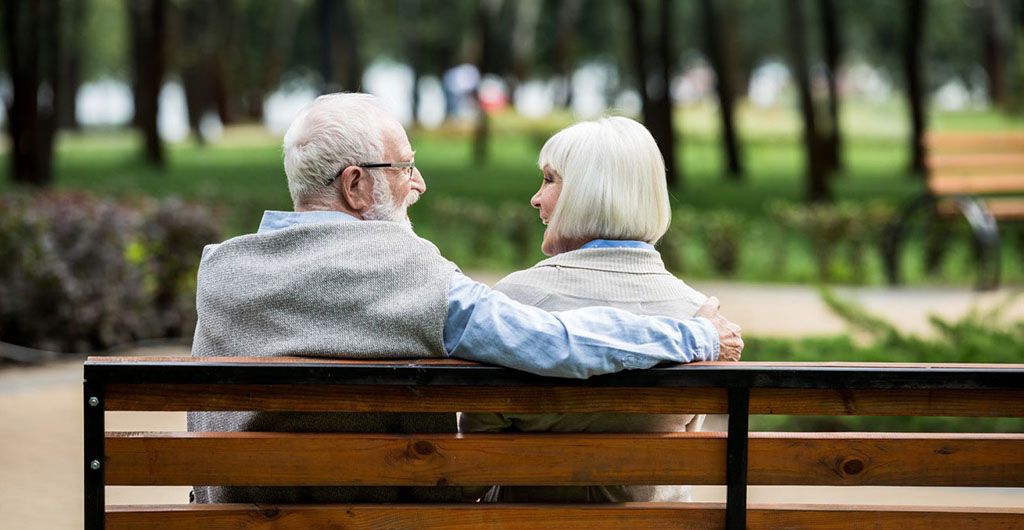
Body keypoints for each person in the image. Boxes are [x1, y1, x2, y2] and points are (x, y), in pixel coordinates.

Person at [187, 94, 742, 504]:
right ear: (355, 186)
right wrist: (694, 334)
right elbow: (553, 341)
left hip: (230, 516)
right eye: (404, 166)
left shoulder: (222, 270)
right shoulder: (404, 274)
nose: (420, 182)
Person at [461, 116, 736, 503]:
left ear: (588, 192)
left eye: (549, 179)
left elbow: (470, 470)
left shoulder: (513, 301)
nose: (535, 198)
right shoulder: (700, 317)